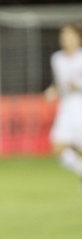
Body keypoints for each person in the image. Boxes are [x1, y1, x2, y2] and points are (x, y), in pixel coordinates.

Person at [44, 23, 82, 179]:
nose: (66, 39)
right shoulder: (57, 58)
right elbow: (59, 82)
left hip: (80, 105)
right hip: (65, 107)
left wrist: (78, 85)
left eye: (70, 35)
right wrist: (52, 90)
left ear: (78, 38)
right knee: (57, 148)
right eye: (64, 36)